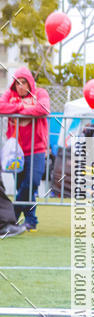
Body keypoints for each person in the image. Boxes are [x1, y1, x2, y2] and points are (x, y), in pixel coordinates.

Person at [0, 67, 50, 230]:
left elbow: (43, 108)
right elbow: (1, 106)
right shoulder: (9, 94)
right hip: (15, 151)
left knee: (32, 183)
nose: (21, 86)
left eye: (24, 83)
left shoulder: (40, 93)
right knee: (21, 185)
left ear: (30, 83)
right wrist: (24, 108)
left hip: (37, 148)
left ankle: (12, 216)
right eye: (18, 83)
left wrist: (18, 108)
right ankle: (30, 221)